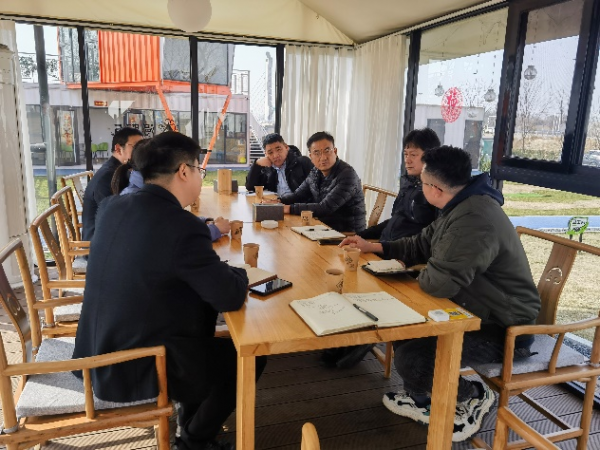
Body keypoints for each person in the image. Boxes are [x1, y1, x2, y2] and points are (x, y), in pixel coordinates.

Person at [73, 132, 266, 450]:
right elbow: (229, 296)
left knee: (199, 321)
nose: (200, 177)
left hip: (98, 347)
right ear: (184, 171)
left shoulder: (113, 206)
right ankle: (193, 440)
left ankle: (189, 423)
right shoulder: (180, 225)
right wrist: (238, 273)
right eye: (200, 170)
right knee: (249, 356)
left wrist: (222, 273)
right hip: (134, 364)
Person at [339, 146, 541, 442]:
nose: (420, 187)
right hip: (475, 309)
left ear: (434, 188)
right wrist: (375, 247)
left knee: (414, 360)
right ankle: (422, 398)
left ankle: (473, 395)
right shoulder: (462, 204)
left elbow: (438, 284)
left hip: (504, 328)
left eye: (422, 182)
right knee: (404, 331)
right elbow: (421, 243)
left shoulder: (474, 220)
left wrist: (414, 269)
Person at [111, 141, 231, 241]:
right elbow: (178, 235)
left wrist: (205, 221)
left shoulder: (144, 192)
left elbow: (176, 220)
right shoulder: (141, 200)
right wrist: (215, 229)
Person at [358, 128, 440, 242]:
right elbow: (395, 220)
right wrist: (360, 236)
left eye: (413, 155)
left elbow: (431, 236)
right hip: (385, 246)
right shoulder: (408, 183)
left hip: (403, 251)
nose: (407, 160)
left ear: (430, 156)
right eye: (406, 154)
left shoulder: (437, 190)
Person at [280, 131, 366, 233]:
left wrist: (289, 208)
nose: (323, 157)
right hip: (324, 226)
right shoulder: (315, 171)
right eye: (317, 153)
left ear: (335, 151)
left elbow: (325, 208)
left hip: (347, 233)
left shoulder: (347, 175)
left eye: (327, 150)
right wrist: (279, 201)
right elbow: (298, 195)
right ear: (311, 156)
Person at [82, 127, 143, 242]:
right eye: (136, 147)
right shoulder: (107, 176)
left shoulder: (119, 170)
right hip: (98, 243)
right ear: (118, 149)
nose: (141, 151)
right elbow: (114, 216)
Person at [245, 133, 313, 196]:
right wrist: (257, 165)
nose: (275, 155)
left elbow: (314, 191)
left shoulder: (303, 163)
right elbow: (250, 187)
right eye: (270, 152)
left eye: (279, 149)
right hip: (275, 203)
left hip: (297, 204)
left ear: (286, 147)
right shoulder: (267, 168)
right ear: (266, 154)